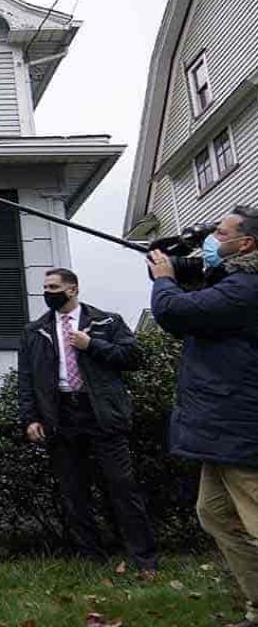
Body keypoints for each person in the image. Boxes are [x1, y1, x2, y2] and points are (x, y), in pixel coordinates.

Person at [150, 206, 258, 627]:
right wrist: (172, 266)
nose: (213, 237)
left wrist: (164, 280)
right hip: (223, 426)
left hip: (241, 425)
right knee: (215, 514)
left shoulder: (247, 288)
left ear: (245, 243)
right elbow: (200, 303)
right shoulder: (233, 283)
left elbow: (177, 312)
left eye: (221, 232)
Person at [18, 268, 158, 574]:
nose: (47, 292)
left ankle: (143, 558)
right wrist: (30, 418)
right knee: (73, 491)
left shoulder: (107, 321)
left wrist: (91, 345)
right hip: (61, 413)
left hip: (101, 413)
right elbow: (26, 378)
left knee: (121, 486)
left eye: (53, 286)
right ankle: (91, 558)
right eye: (45, 287)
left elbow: (134, 358)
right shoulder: (35, 331)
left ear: (72, 289)